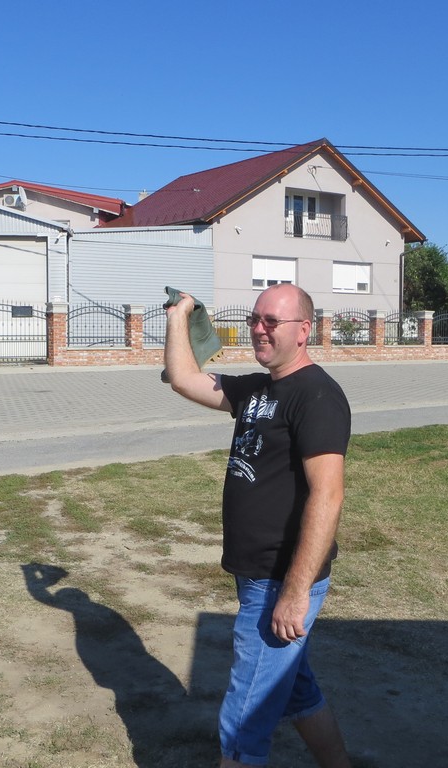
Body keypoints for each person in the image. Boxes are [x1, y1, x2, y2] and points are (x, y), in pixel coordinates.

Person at [164, 283, 353, 768]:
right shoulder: (256, 389)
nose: (259, 329)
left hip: (280, 580)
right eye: (254, 319)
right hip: (255, 575)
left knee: (242, 723)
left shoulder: (317, 396)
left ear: (304, 331)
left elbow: (328, 496)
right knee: (297, 693)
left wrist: (295, 592)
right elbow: (183, 378)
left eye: (272, 321)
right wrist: (179, 314)